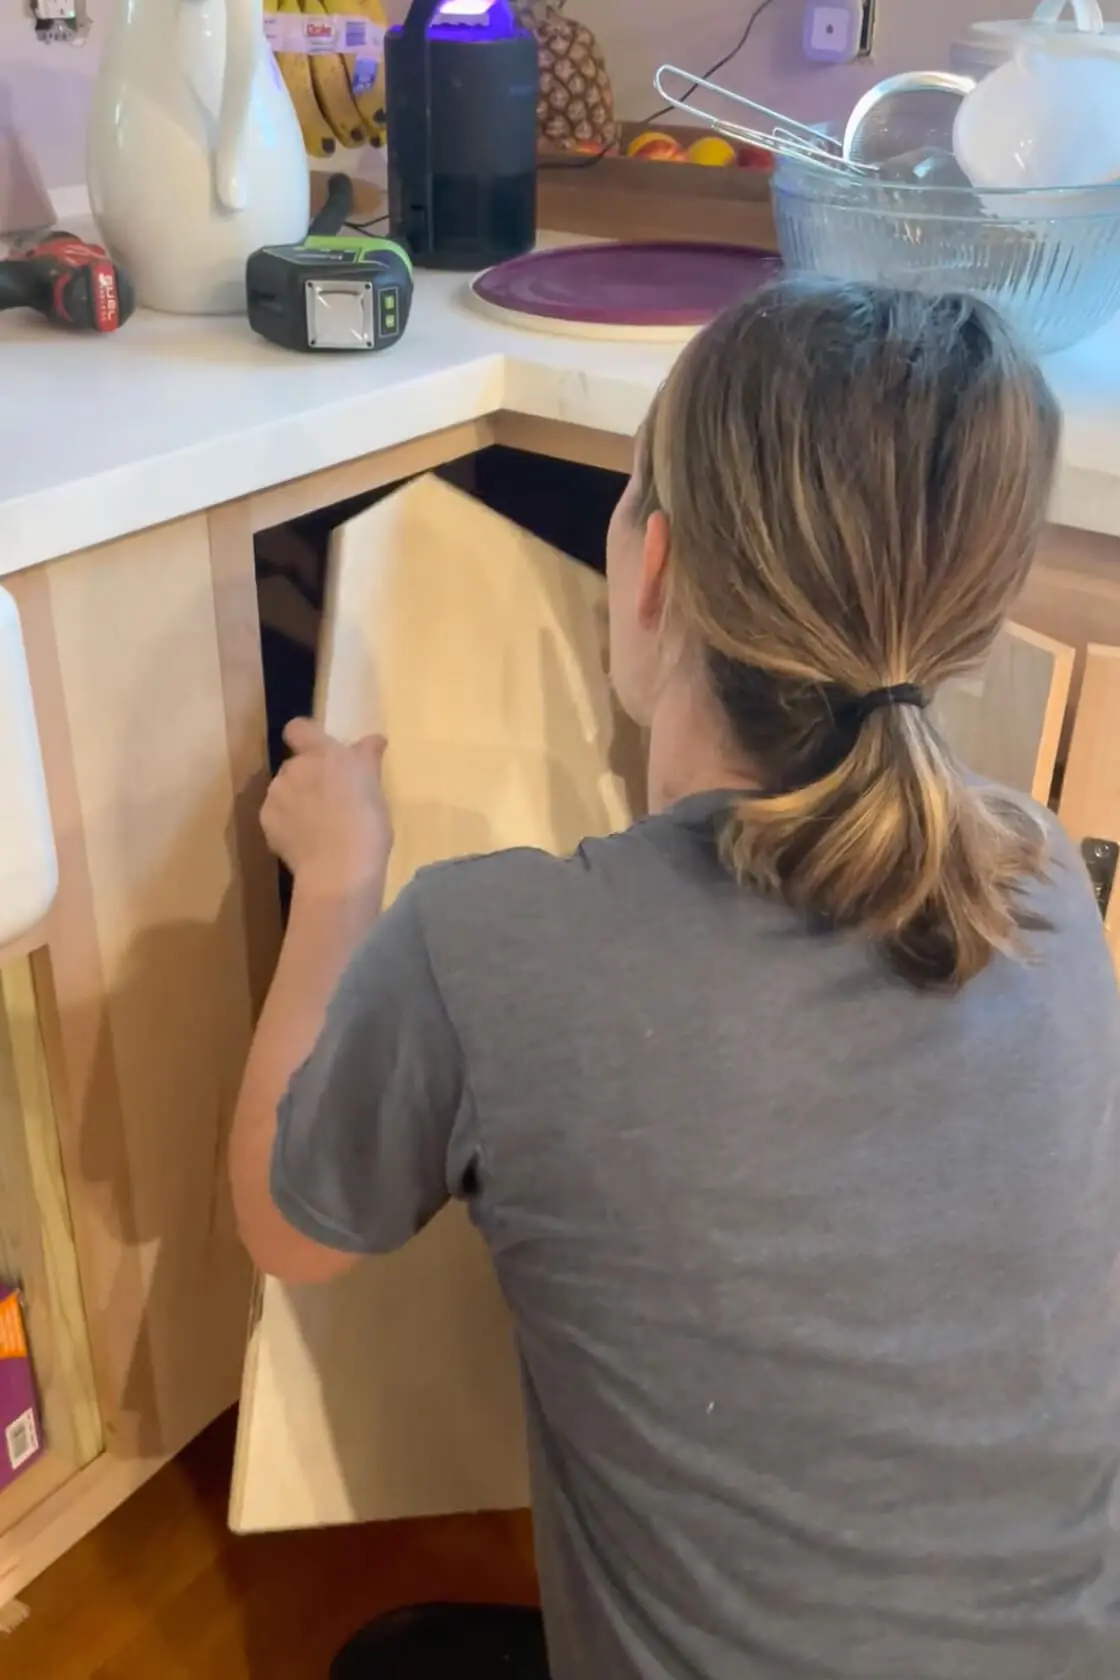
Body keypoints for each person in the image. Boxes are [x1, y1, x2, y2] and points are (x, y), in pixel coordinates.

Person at [230, 279, 1120, 1680]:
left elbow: (294, 1230)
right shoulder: (1049, 885)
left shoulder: (488, 946)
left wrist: (336, 880)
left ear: (652, 570)